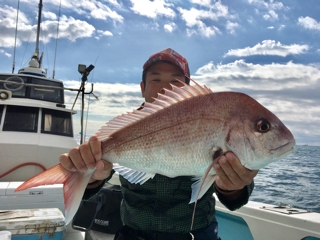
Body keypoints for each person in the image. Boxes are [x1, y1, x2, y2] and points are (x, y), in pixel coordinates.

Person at [60, 48, 258, 240]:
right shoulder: (125, 130)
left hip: (195, 235)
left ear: (188, 90)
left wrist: (232, 186)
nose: (166, 87)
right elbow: (98, 178)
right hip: (133, 234)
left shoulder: (209, 122)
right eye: (156, 79)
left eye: (176, 81)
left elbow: (235, 196)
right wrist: (92, 175)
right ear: (142, 88)